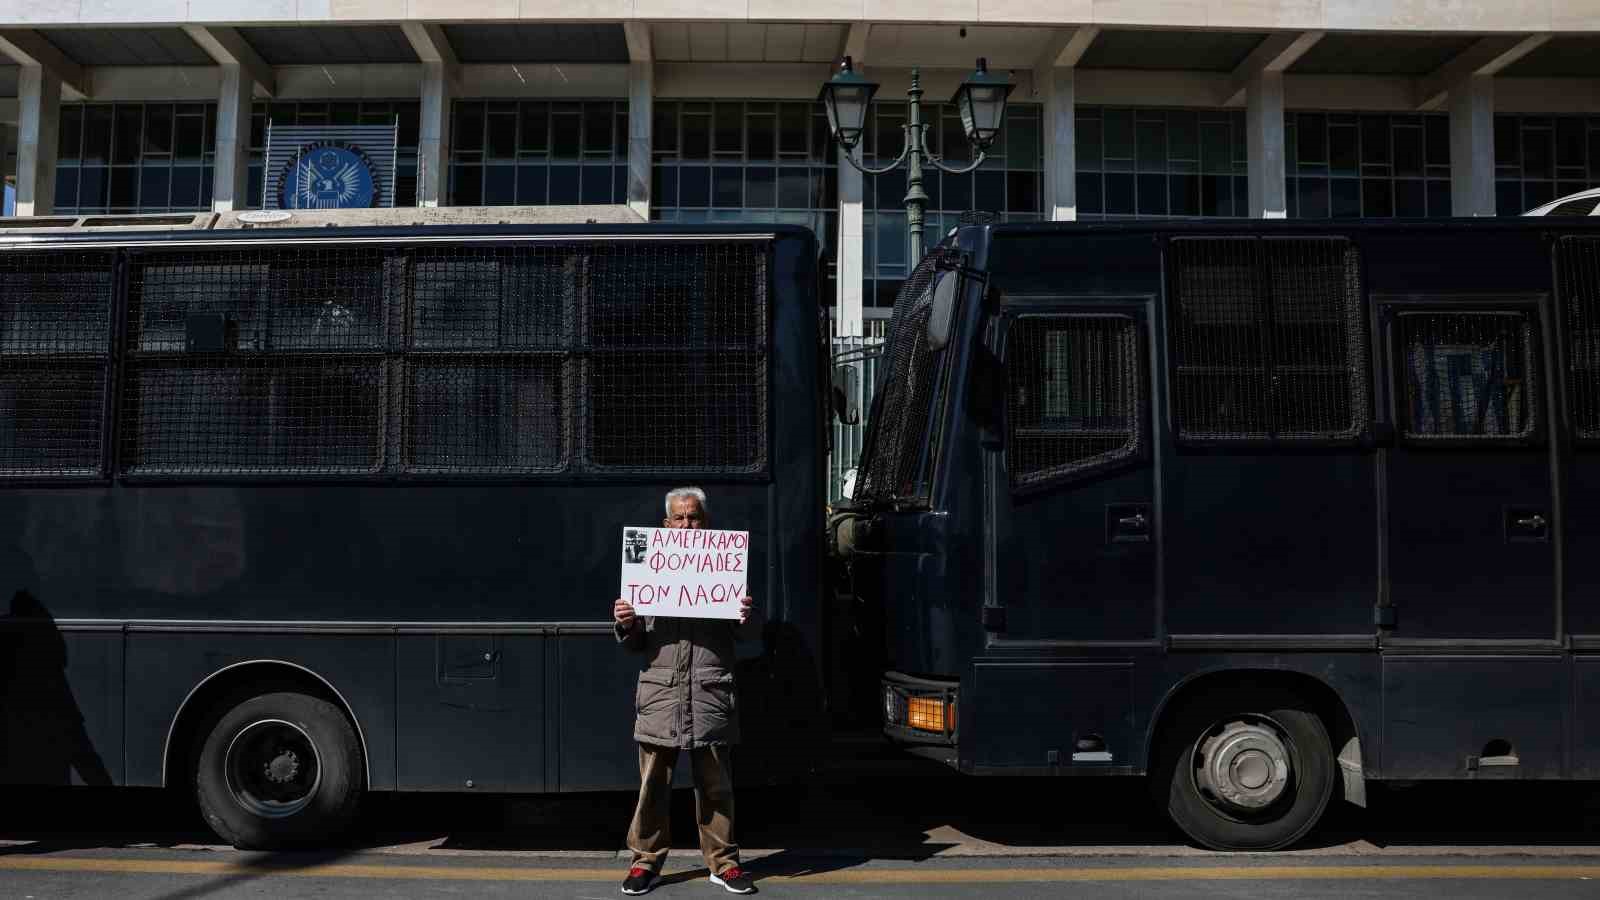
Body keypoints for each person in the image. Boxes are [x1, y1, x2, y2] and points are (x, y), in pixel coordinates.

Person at [614, 487, 763, 896]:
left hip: (710, 693)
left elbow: (747, 634)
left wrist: (746, 616)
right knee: (652, 788)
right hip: (661, 695)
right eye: (678, 518)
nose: (686, 524)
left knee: (716, 787)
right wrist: (627, 622)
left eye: (693, 517)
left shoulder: (724, 568)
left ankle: (724, 863)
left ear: (705, 522)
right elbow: (635, 643)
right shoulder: (645, 565)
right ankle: (645, 863)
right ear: (666, 524)